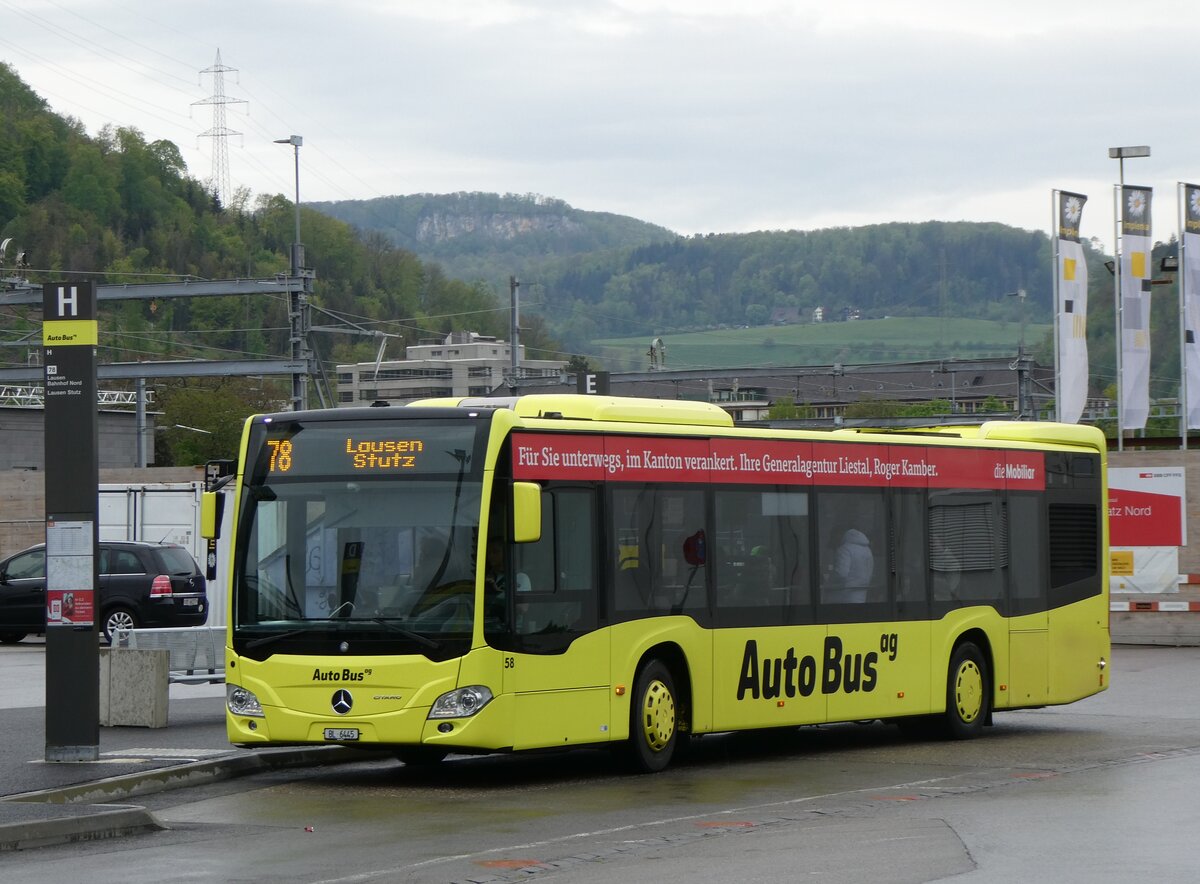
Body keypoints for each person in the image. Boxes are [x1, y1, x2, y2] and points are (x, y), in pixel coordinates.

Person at [831, 528, 873, 596]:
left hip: (845, 593)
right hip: (862, 592)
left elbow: (841, 573)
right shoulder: (868, 550)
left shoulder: (845, 549)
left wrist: (830, 580)